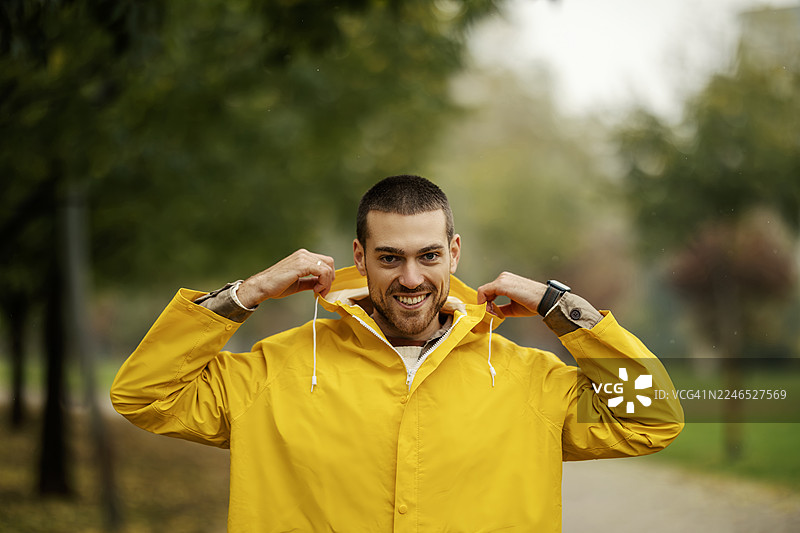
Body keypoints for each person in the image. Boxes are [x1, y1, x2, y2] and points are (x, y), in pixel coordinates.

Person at [111, 174, 683, 532]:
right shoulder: (275, 369)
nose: (411, 278)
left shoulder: (527, 378)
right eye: (390, 258)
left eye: (428, 256)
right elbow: (144, 394)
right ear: (359, 257)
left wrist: (564, 309)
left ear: (453, 253)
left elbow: (652, 419)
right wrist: (247, 293)